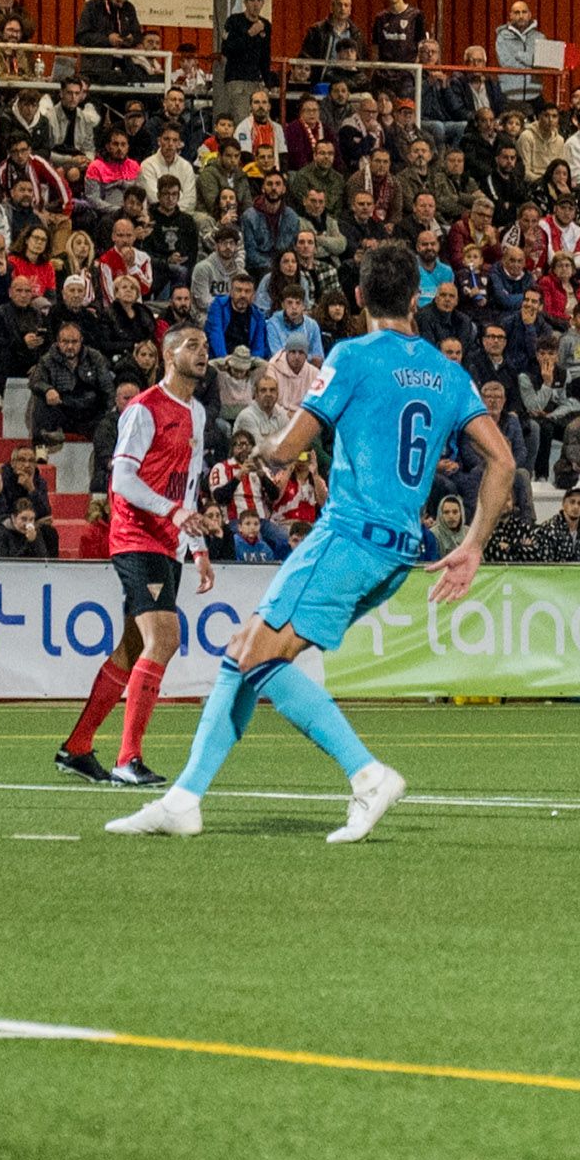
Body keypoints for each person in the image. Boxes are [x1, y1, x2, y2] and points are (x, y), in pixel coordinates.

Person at [115, 243, 511, 844]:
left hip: (348, 534)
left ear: (358, 299)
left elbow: (291, 443)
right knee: (243, 648)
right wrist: (475, 543)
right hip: (403, 546)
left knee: (259, 655)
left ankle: (367, 774)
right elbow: (503, 461)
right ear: (415, 300)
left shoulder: (350, 356)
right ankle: (184, 798)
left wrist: (261, 451)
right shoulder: (449, 372)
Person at [56, 337, 213, 787]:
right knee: (164, 638)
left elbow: (187, 486)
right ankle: (129, 758)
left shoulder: (197, 413)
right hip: (136, 536)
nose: (201, 351)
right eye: (190, 345)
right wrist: (172, 512)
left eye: (204, 345)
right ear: (168, 356)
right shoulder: (144, 409)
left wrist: (196, 546)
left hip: (169, 541)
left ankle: (78, 747)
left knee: (132, 647)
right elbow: (122, 479)